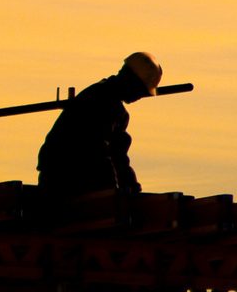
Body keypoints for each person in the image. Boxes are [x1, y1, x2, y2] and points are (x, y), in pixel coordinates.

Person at [36, 51, 164, 196]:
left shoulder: (102, 98)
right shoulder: (105, 103)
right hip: (66, 180)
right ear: (132, 82)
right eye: (140, 91)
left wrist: (130, 186)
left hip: (61, 176)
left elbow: (117, 155)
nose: (139, 97)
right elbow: (98, 150)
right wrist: (113, 190)